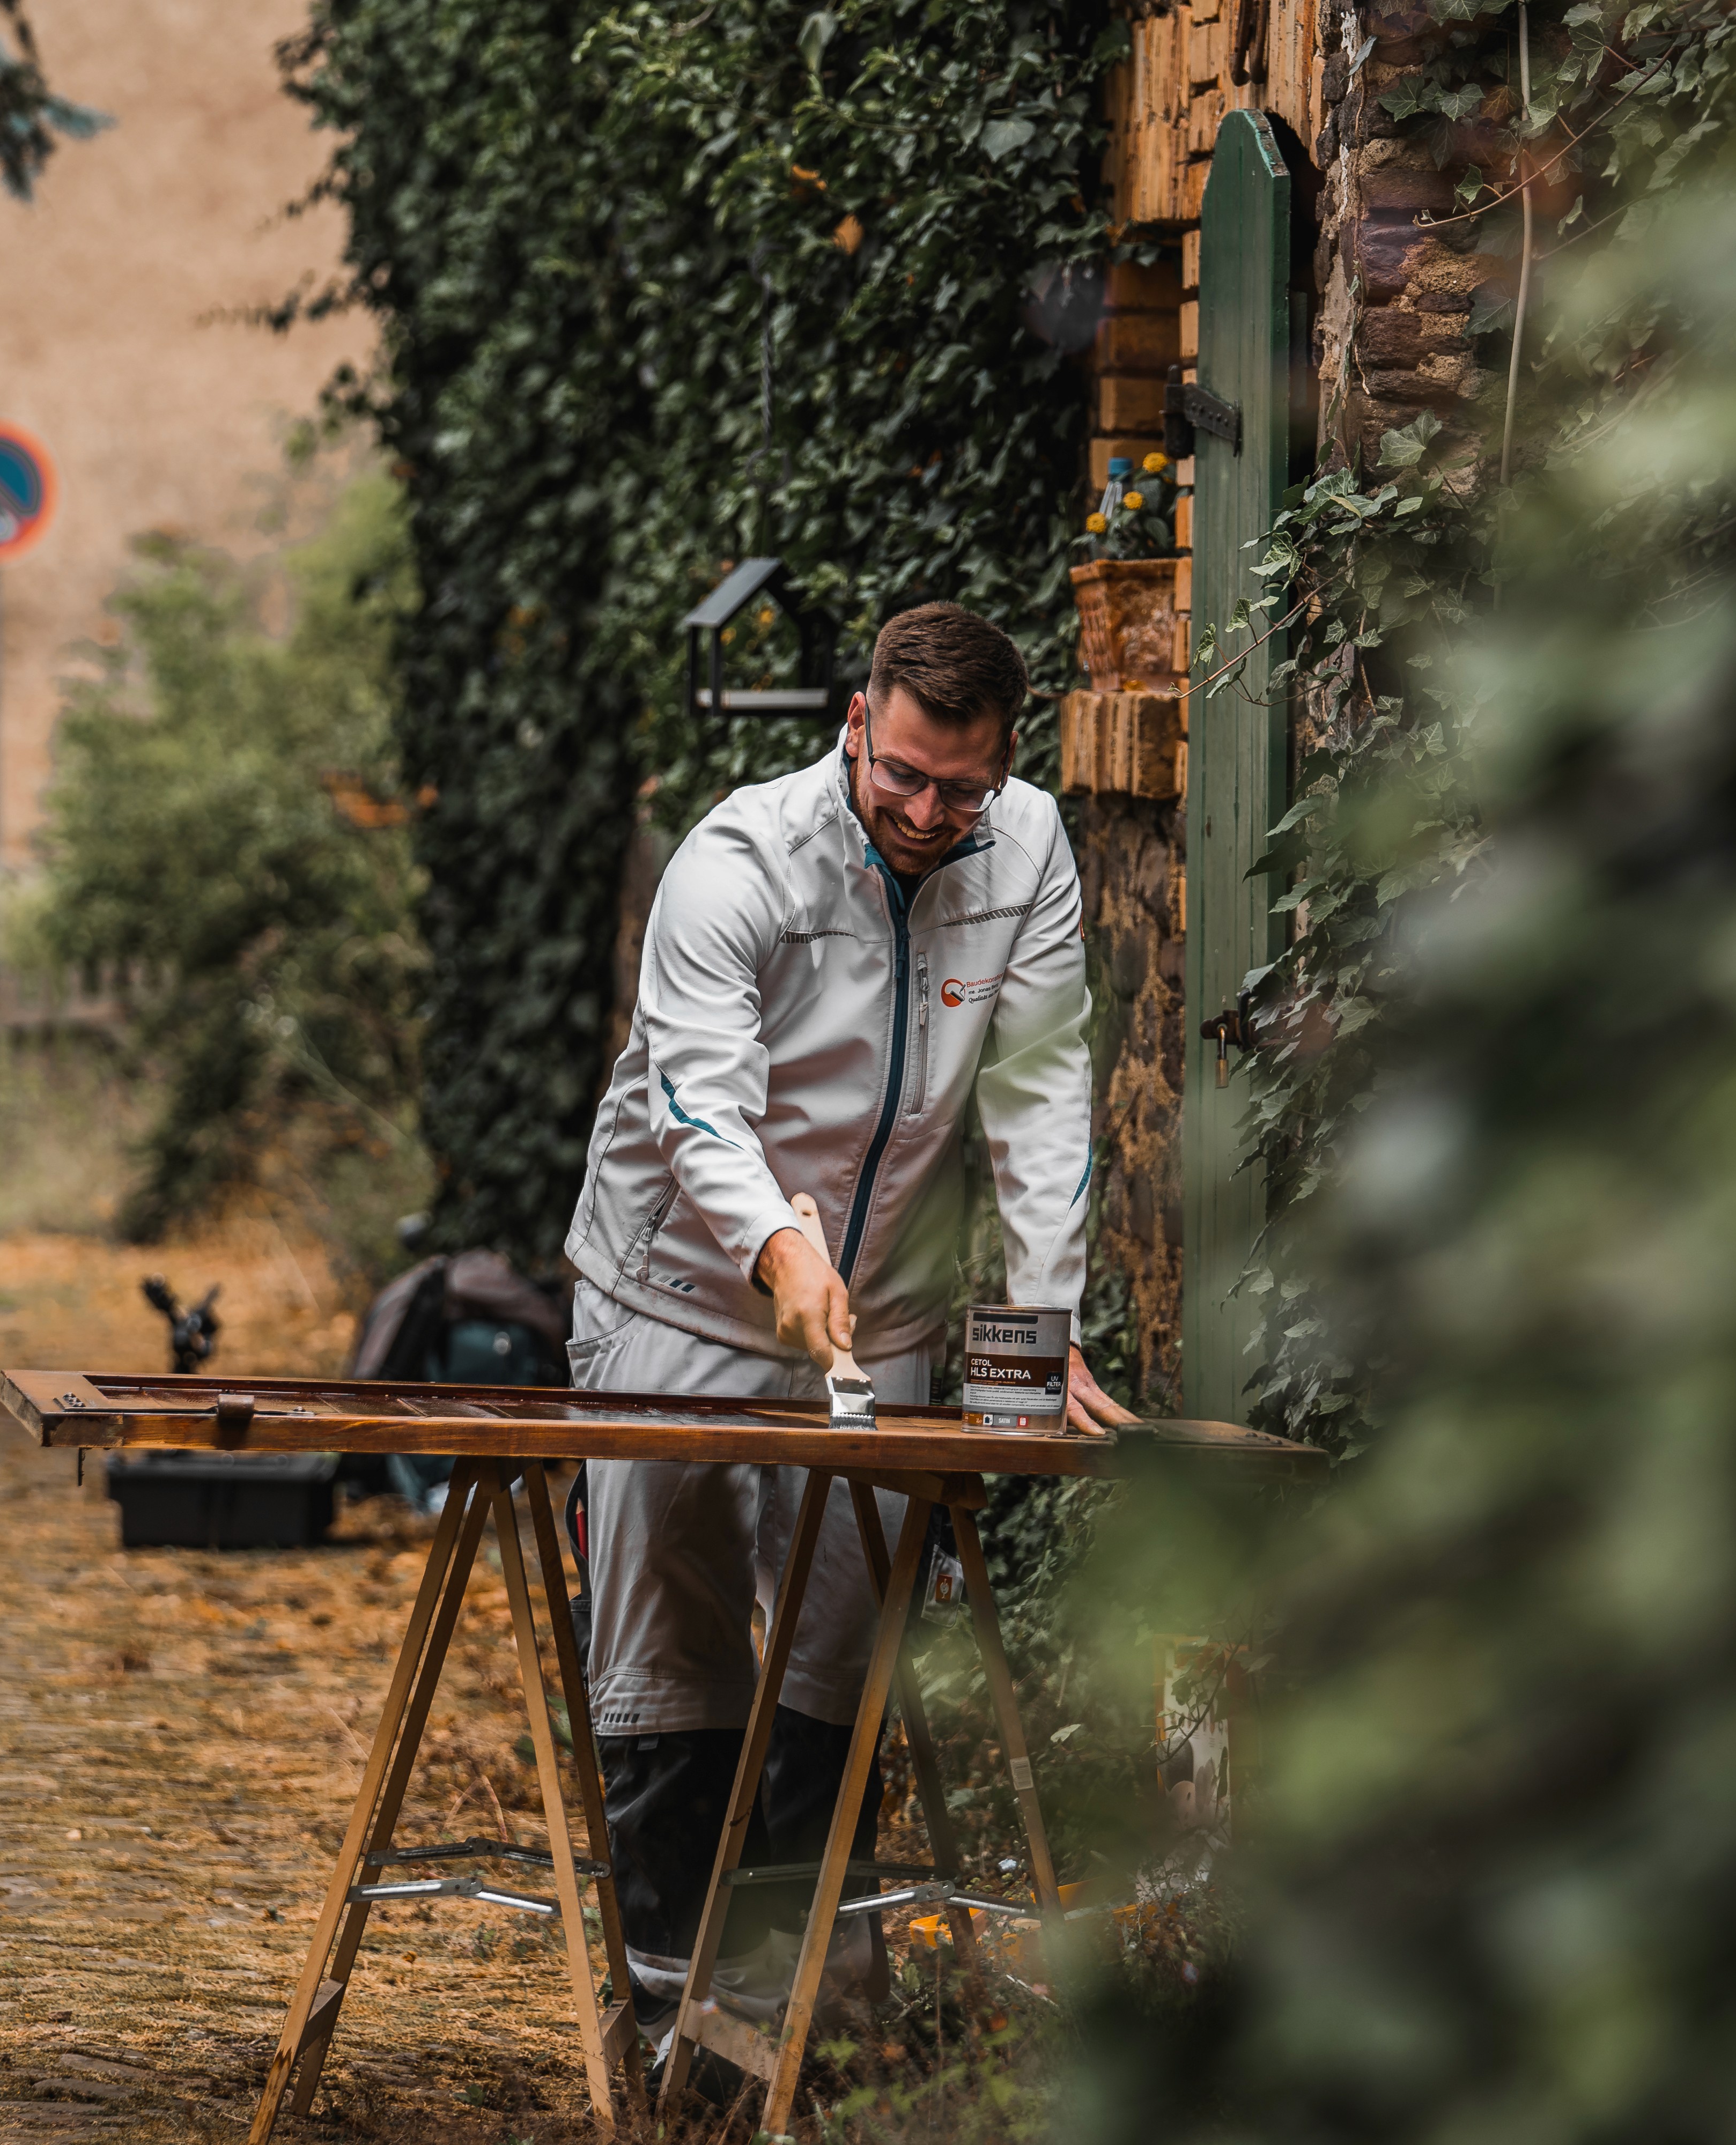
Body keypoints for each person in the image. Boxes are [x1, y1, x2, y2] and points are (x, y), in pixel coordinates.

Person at [562, 600, 1134, 2051]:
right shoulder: (738, 859)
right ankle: (667, 2017)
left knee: (836, 1653)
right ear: (858, 723)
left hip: (881, 1307)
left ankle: (804, 2004)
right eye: (906, 778)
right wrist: (775, 1256)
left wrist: (1042, 1317)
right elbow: (702, 1096)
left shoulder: (1031, 848)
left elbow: (1044, 1095)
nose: (935, 812)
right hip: (677, 1290)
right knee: (670, 1644)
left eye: (967, 787)